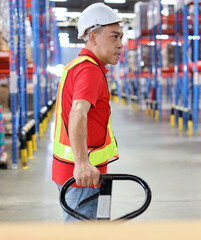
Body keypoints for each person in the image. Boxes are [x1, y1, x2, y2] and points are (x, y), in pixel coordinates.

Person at [52, 2, 123, 221]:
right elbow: (77, 113)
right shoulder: (89, 70)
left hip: (76, 171)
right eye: (114, 37)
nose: (121, 45)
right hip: (83, 175)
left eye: (121, 37)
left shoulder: (77, 65)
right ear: (93, 37)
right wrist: (82, 164)